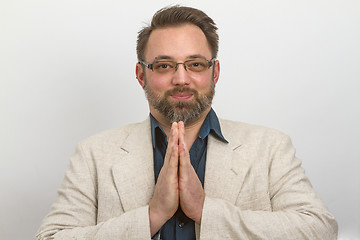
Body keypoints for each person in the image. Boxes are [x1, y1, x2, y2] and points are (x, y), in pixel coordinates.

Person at [36, 5, 338, 240]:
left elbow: (320, 229)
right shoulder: (93, 154)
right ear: (142, 75)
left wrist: (206, 211)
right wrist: (152, 216)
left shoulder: (271, 147)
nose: (181, 79)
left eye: (195, 64)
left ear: (214, 72)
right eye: (164, 65)